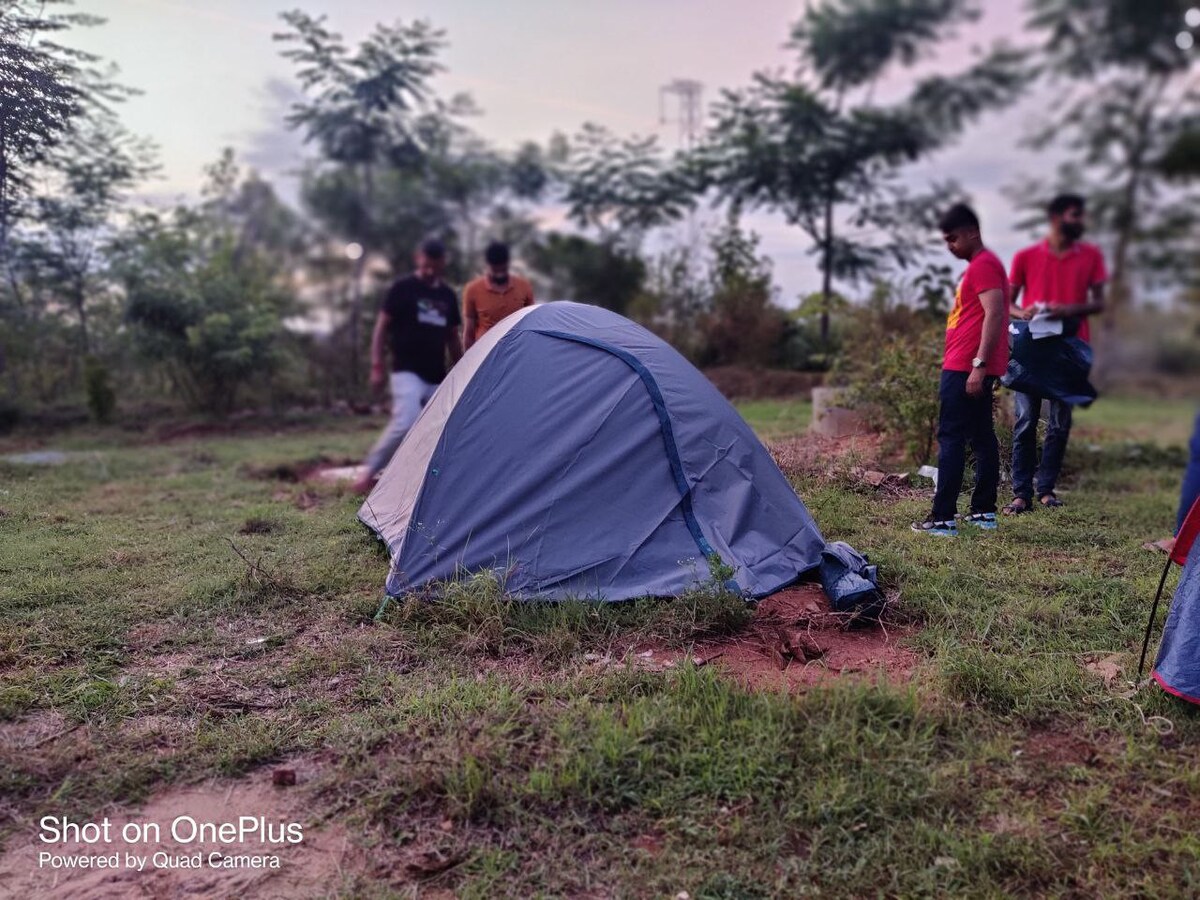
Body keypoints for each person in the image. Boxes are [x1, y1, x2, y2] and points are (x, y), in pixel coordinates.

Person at [1003, 194, 1107, 514]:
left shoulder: (1091, 256)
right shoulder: (1025, 256)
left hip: (1070, 353)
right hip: (1033, 352)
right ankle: (1021, 493)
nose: (1080, 221)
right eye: (1075, 215)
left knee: (1060, 424)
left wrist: (1069, 309)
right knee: (1025, 420)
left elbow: (1099, 302)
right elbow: (1008, 302)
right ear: (1056, 217)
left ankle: (1046, 489)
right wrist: (1022, 313)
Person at [912, 203, 1009, 537]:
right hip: (968, 365)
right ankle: (983, 512)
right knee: (981, 436)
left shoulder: (983, 265)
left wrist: (978, 365)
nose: (950, 246)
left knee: (951, 437)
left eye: (953, 239)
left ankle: (942, 519)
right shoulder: (985, 265)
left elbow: (995, 314)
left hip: (965, 367)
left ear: (972, 232)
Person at [353, 238, 463, 495]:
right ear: (418, 259)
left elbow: (452, 336)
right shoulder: (402, 288)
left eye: (434, 267)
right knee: (407, 420)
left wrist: (462, 367)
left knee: (444, 425)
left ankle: (426, 480)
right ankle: (368, 472)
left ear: (442, 264)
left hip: (436, 372)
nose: (429, 271)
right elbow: (381, 327)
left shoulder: (446, 295)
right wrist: (377, 364)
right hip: (406, 370)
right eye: (425, 265)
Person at [462, 241, 535, 350]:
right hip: (485, 354)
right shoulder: (472, 290)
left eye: (503, 269)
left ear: (508, 264)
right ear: (487, 265)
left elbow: (532, 324)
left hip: (516, 351)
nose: (499, 274)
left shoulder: (524, 286)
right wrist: (468, 362)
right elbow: (469, 332)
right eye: (495, 270)